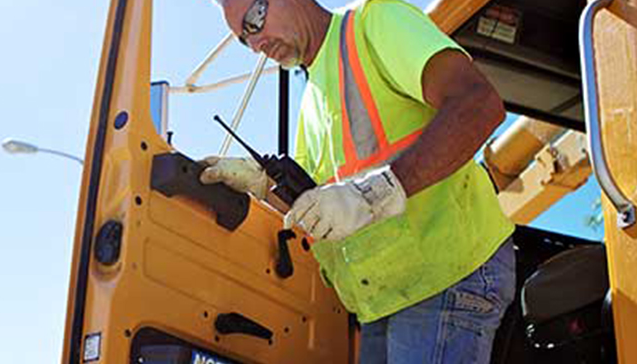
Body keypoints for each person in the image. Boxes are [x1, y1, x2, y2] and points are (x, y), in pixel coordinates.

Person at [200, 0, 516, 362]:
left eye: (255, 20)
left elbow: (478, 104)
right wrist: (260, 184)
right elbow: (319, 205)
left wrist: (375, 194)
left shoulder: (374, 22)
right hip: (383, 300)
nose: (256, 45)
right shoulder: (311, 104)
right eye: (244, 40)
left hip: (447, 274)